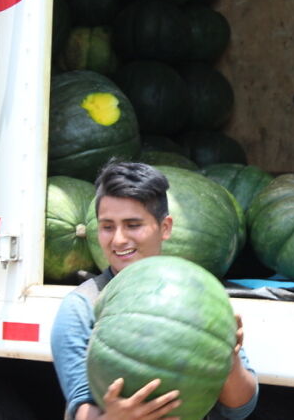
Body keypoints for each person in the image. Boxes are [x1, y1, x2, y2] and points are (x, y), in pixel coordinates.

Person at [51, 161, 259, 420]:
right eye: (107, 226)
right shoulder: (81, 306)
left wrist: (230, 357)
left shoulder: (195, 289)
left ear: (165, 227)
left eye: (133, 225)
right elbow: (81, 410)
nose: (118, 239)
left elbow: (240, 408)